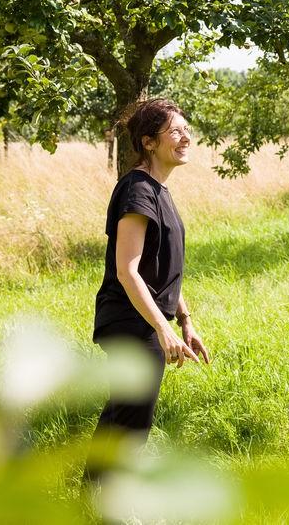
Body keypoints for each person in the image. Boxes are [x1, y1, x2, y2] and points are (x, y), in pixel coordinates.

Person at [91, 98, 209, 448]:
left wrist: (184, 320)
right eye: (175, 131)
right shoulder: (138, 190)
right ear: (148, 142)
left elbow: (161, 267)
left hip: (143, 319)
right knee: (131, 424)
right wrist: (163, 328)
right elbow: (127, 271)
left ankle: (91, 495)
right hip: (131, 322)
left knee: (122, 417)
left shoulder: (158, 190)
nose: (186, 137)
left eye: (187, 130)